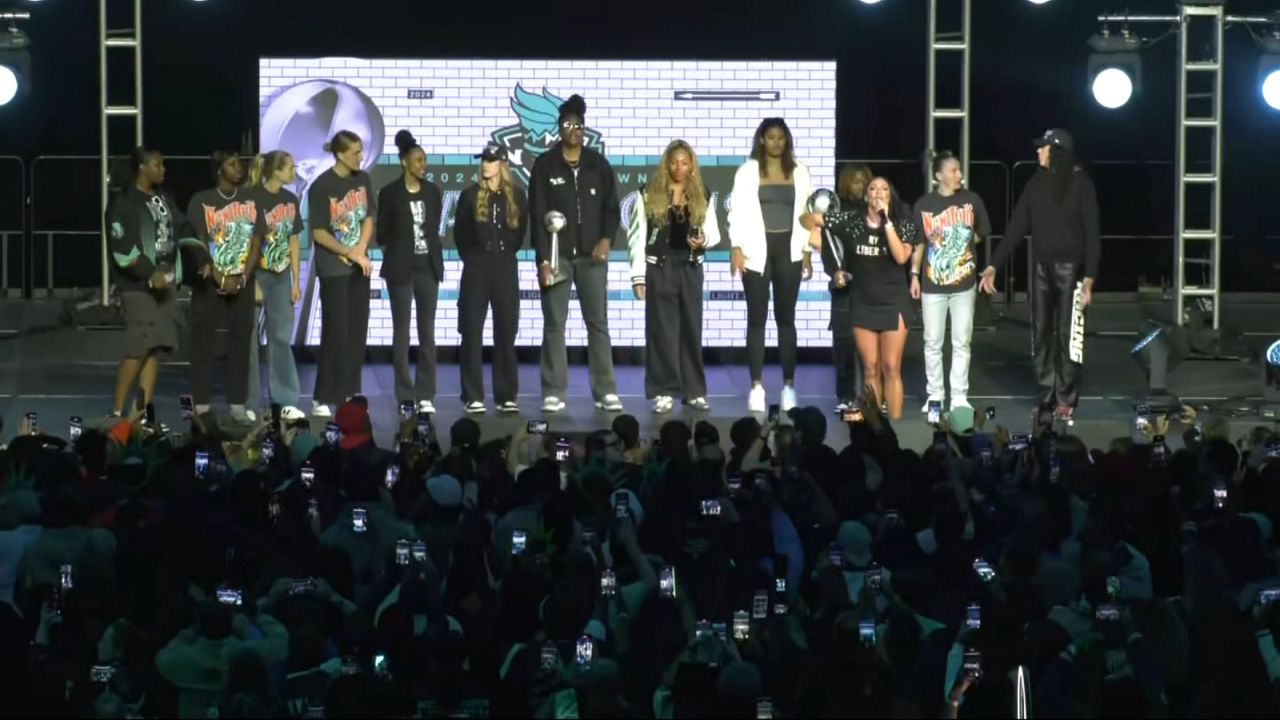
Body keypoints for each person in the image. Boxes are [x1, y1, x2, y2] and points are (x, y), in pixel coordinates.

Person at [980, 129, 1099, 424]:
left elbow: (1093, 234)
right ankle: (1047, 393)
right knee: (1040, 332)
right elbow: (1016, 227)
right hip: (1041, 268)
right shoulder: (1035, 184)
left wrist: (1089, 279)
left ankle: (1067, 397)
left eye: (1043, 148)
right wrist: (994, 264)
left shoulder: (1080, 183)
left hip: (1071, 269)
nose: (1037, 152)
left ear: (1056, 151)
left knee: (1068, 335)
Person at [528, 94, 623, 414]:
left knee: (598, 324)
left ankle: (605, 390)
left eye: (579, 125)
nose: (574, 130)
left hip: (593, 259)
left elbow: (612, 208)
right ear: (560, 128)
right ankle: (553, 391)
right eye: (568, 125)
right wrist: (543, 260)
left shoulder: (598, 164)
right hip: (558, 258)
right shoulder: (544, 165)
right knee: (554, 324)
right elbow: (537, 214)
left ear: (584, 129)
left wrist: (607, 239)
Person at [728, 117, 817, 414]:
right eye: (771, 137)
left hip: (789, 249)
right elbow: (737, 211)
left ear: (786, 141)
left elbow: (808, 213)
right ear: (762, 140)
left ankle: (789, 386)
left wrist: (807, 251)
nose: (776, 142)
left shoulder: (800, 171)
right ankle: (756, 386)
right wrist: (736, 248)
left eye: (781, 137)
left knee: (786, 319)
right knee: (756, 319)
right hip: (755, 250)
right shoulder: (747, 171)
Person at [105, 147, 200, 418]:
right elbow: (122, 247)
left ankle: (141, 411)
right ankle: (116, 411)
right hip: (138, 288)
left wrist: (201, 255)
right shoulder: (123, 203)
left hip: (165, 285)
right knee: (138, 348)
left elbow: (182, 228)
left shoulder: (162, 198)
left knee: (153, 348)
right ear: (142, 168)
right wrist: (150, 273)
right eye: (157, 165)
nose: (163, 170)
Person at [627, 139, 719, 414]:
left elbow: (714, 234)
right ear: (667, 164)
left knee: (691, 329)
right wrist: (638, 276)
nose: (679, 167)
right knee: (662, 331)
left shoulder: (703, 193)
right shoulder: (647, 193)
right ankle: (663, 391)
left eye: (684, 161)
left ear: (691, 165)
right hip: (660, 267)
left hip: (690, 268)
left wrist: (703, 240)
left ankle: (694, 392)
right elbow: (636, 236)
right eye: (674, 161)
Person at [818, 176, 916, 420]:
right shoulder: (851, 221)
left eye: (883, 188)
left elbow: (901, 257)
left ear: (889, 196)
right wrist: (834, 265)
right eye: (872, 189)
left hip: (894, 302)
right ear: (865, 197)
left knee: (891, 367)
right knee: (870, 368)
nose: (877, 193)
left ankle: (892, 425)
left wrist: (887, 223)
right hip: (862, 302)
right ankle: (874, 425)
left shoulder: (903, 222)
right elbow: (810, 219)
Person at [912, 151, 992, 413]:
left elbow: (981, 233)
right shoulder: (924, 204)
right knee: (932, 342)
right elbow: (919, 244)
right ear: (938, 175)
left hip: (963, 286)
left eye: (959, 170)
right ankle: (935, 395)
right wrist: (914, 275)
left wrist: (961, 251)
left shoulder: (972, 201)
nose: (959, 174)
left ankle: (959, 395)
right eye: (953, 170)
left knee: (961, 342)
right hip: (932, 286)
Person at [187, 151, 261, 424]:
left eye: (238, 162)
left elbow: (256, 241)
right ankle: (203, 404)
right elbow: (198, 243)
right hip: (210, 283)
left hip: (242, 282)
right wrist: (220, 278)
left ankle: (237, 403)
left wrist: (241, 278)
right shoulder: (201, 201)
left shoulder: (251, 200)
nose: (238, 167)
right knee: (203, 343)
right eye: (231, 164)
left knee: (241, 342)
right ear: (219, 170)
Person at [454, 143, 527, 415]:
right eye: (483, 159)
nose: (486, 164)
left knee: (506, 331)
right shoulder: (470, 196)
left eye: (491, 160)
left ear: (502, 164)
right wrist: (475, 257)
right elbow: (460, 234)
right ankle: (472, 394)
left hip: (505, 265)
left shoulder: (517, 197)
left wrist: (503, 251)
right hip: (476, 266)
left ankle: (506, 394)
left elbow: (520, 234)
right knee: (472, 331)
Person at [307, 130, 375, 418]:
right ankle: (322, 395)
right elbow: (319, 232)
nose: (361, 157)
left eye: (361, 151)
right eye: (355, 152)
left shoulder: (363, 180)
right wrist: (347, 252)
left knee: (357, 332)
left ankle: (348, 390)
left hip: (359, 267)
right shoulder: (322, 185)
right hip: (334, 269)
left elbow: (368, 217)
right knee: (336, 332)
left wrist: (360, 248)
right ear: (339, 154)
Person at [377, 131, 444, 415]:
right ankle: (405, 393)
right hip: (400, 268)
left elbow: (433, 227)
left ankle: (425, 393)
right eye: (418, 160)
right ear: (404, 162)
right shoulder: (390, 193)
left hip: (427, 266)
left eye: (425, 160)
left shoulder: (432, 192)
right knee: (401, 332)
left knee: (427, 332)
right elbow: (381, 234)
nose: (423, 165)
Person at [246, 149, 303, 411]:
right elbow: (244, 241)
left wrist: (295, 281)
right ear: (276, 171)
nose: (293, 172)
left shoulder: (291, 200)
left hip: (280, 277)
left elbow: (293, 240)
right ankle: (248, 401)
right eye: (289, 167)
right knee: (250, 341)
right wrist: (251, 281)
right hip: (256, 274)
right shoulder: (253, 198)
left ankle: (285, 398)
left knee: (280, 337)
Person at [829, 164, 871, 413]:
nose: (862, 186)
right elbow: (828, 248)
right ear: (846, 184)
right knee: (844, 345)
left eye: (866, 181)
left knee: (870, 348)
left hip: (870, 288)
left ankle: (872, 397)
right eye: (857, 181)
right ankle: (844, 396)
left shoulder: (877, 213)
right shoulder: (836, 212)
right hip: (843, 287)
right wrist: (835, 272)